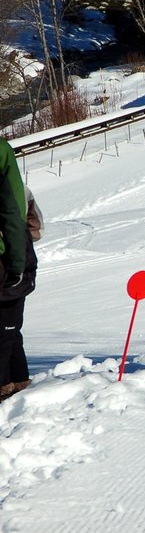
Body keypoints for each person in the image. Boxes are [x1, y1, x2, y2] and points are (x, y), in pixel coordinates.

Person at [0, 139, 29, 402]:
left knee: (7, 326)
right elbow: (14, 211)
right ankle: (14, 381)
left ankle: (13, 382)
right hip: (7, 254)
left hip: (7, 254)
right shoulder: (2, 151)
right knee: (8, 325)